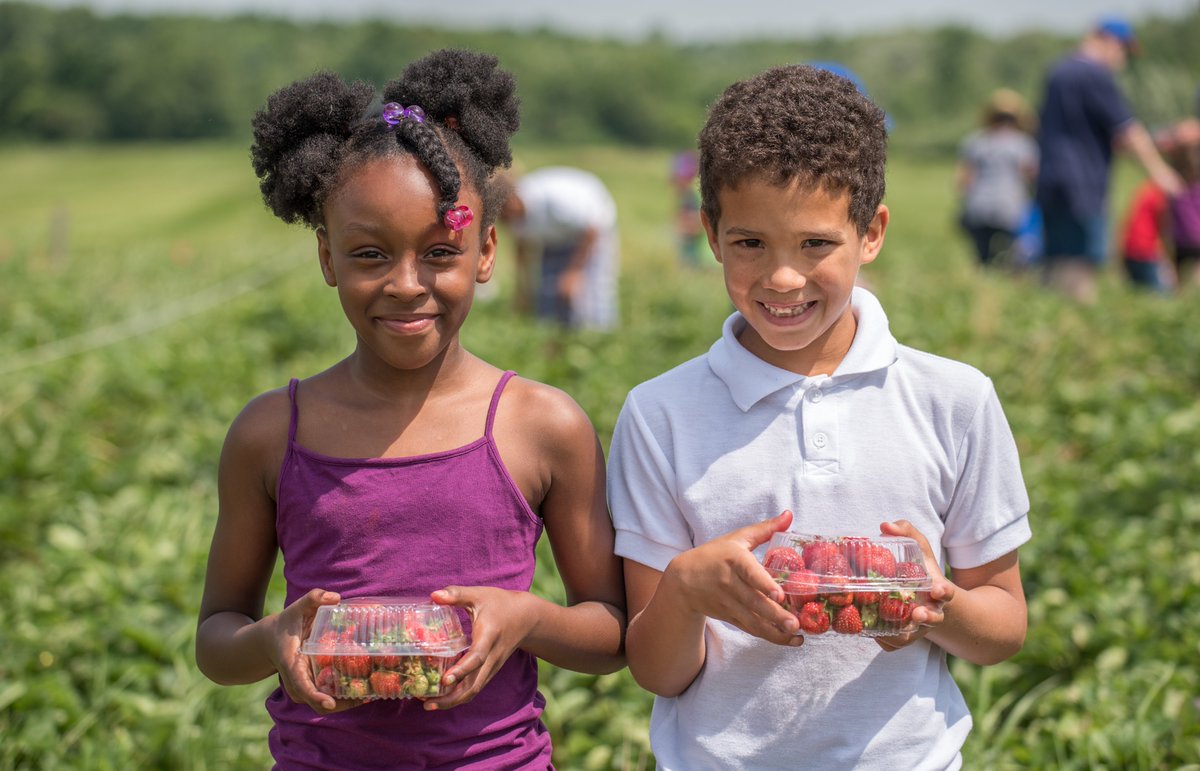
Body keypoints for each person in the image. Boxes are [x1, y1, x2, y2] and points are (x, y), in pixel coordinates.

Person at [195, 49, 626, 769]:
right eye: (369, 255)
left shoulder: (543, 426)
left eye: (438, 252)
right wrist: (272, 638)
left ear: (486, 252)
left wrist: (527, 617)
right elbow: (217, 634)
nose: (405, 284)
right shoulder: (271, 435)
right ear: (327, 257)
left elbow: (612, 631)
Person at [607, 64, 1031, 769]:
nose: (782, 278)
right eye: (750, 244)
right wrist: (685, 589)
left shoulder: (953, 398)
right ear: (710, 233)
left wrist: (937, 605)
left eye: (815, 244)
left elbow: (1004, 624)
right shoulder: (661, 414)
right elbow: (658, 670)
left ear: (871, 232)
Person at [1035, 15, 1184, 303]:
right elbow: (1128, 130)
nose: (1123, 59)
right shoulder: (1095, 75)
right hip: (1083, 182)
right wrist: (1160, 173)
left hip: (1052, 178)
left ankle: (1050, 326)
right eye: (1124, 50)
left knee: (1057, 258)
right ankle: (1077, 331)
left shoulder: (1057, 72)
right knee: (1081, 261)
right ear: (1107, 40)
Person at [500, 166, 619, 330]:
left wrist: (574, 272)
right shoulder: (511, 215)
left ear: (513, 200)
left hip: (590, 232)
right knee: (548, 291)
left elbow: (591, 230)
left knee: (590, 292)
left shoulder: (552, 200)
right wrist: (523, 291)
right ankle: (553, 337)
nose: (505, 221)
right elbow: (522, 250)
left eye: (505, 213)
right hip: (554, 237)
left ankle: (596, 335)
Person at [956, 88, 1039, 268]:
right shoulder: (1023, 143)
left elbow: (964, 180)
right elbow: (1032, 176)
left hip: (978, 208)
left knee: (982, 258)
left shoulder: (975, 141)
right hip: (1010, 209)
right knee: (1008, 258)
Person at [670, 150, 705, 267]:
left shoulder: (692, 196)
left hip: (701, 260)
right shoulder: (696, 193)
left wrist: (677, 228)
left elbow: (695, 225)